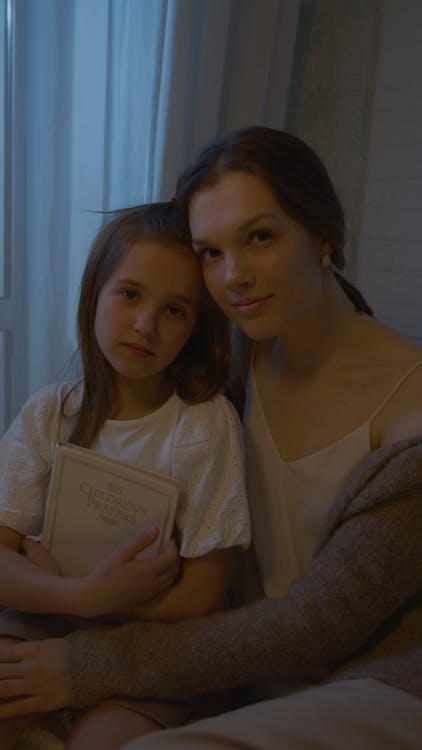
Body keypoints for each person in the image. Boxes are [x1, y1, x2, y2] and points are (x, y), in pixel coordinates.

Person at [1, 127, 421, 749]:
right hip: (218, 656)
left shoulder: (406, 418)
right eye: (211, 253)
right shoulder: (243, 359)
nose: (235, 278)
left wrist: (90, 643)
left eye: (260, 237)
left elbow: (316, 629)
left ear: (324, 233)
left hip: (359, 675)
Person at [0, 201, 250, 749]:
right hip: (47, 618)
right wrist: (75, 598)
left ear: (195, 327)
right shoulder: (51, 413)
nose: (145, 325)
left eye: (175, 310)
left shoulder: (205, 426)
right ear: (95, 294)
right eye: (130, 294)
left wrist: (98, 598)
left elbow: (205, 597)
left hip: (149, 642)